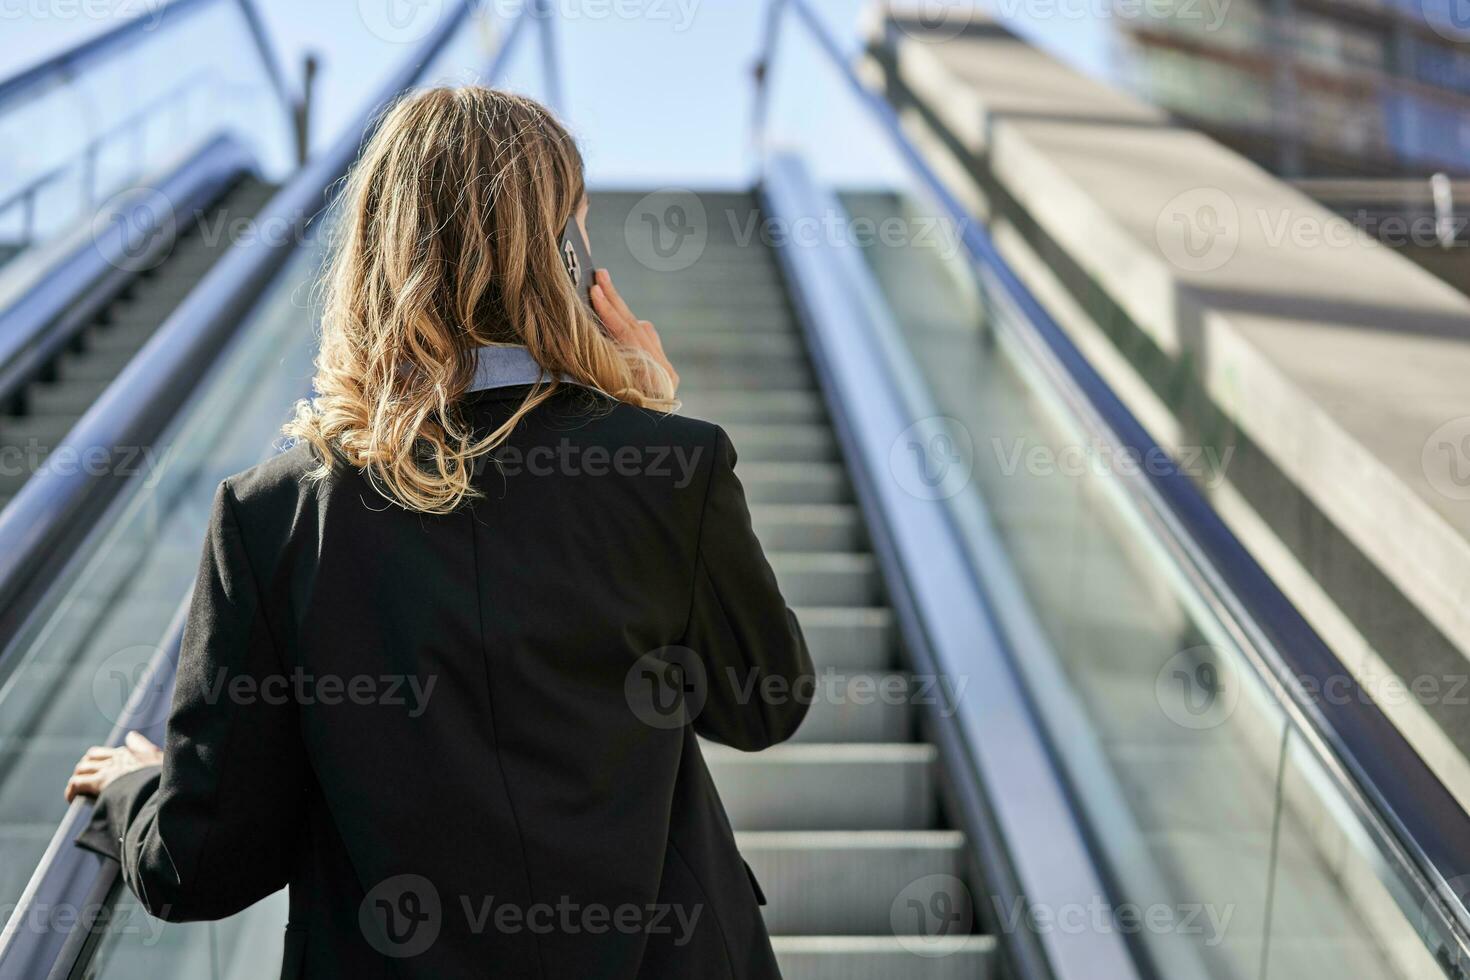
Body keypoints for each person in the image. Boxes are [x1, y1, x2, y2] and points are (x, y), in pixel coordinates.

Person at [65, 86, 812, 979]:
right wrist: (650, 423)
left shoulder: (272, 518)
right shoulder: (669, 468)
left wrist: (132, 788)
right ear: (564, 256)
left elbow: (202, 864)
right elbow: (762, 704)